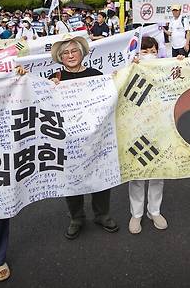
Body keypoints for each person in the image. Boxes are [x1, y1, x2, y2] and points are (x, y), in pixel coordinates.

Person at [48, 36, 118, 239]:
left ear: (82, 53)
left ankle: (102, 214)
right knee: (72, 177)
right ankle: (76, 217)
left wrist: (116, 78)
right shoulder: (56, 78)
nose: (70, 56)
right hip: (68, 139)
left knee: (100, 175)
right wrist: (49, 87)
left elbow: (108, 96)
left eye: (74, 51)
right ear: (60, 58)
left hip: (95, 137)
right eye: (65, 53)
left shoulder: (95, 74)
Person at [128, 36, 171, 234]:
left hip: (159, 126)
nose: (148, 55)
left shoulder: (164, 69)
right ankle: (136, 214)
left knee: (157, 172)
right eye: (143, 52)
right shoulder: (128, 69)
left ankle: (154, 210)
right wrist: (130, 66)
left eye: (152, 51)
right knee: (137, 172)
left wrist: (180, 62)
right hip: (135, 127)